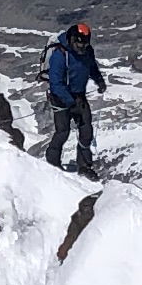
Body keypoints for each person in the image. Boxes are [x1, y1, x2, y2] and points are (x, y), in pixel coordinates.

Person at [44, 13, 104, 173]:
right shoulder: (60, 55)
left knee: (86, 132)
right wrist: (70, 101)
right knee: (62, 132)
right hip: (61, 100)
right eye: (79, 44)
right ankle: (51, 163)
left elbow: (91, 67)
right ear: (72, 40)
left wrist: (99, 80)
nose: (82, 48)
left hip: (78, 97)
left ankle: (84, 167)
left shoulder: (87, 52)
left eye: (85, 44)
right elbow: (55, 83)